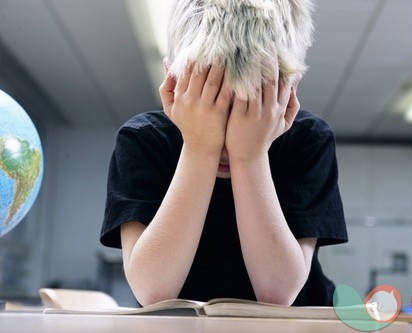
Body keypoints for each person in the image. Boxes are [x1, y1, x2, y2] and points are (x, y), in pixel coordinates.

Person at [100, 0, 347, 307]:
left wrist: (251, 156)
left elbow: (278, 294)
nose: (230, 133)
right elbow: (153, 291)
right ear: (173, 82)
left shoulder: (309, 139)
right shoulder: (143, 139)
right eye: (212, 105)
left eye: (249, 110)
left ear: (287, 92)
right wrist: (199, 147)